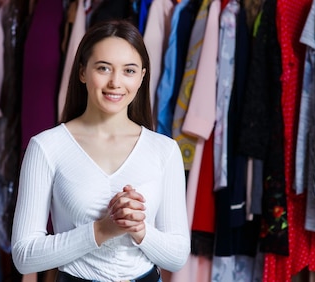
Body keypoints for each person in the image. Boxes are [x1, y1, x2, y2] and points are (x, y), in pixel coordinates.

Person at [11, 20, 190, 282]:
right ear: (82, 72)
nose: (115, 82)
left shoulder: (165, 150)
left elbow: (177, 257)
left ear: (142, 77)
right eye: (104, 68)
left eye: (129, 71)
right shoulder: (47, 147)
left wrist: (139, 229)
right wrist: (101, 230)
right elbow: (24, 255)